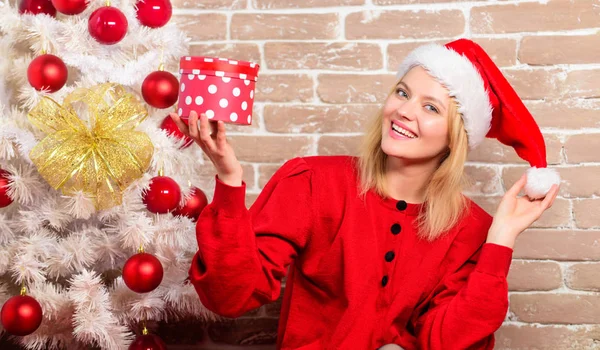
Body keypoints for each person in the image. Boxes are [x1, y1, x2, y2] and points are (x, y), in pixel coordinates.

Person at [170, 39, 561, 350]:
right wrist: (229, 177)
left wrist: (501, 240)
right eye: (403, 93)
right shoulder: (312, 181)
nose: (405, 111)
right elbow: (230, 296)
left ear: (456, 137)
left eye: (430, 107)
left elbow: (448, 342)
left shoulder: (473, 228)